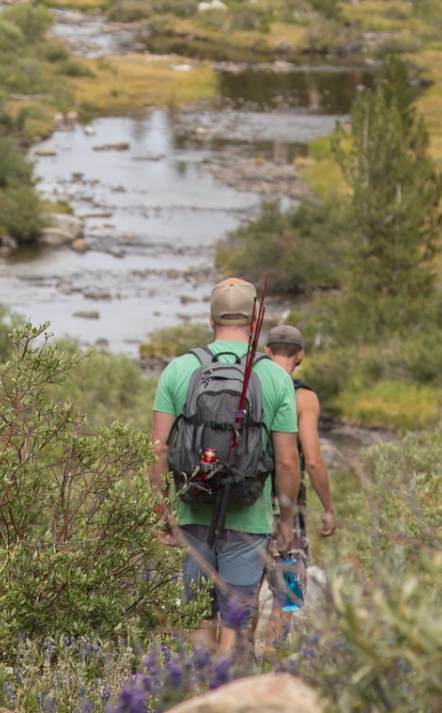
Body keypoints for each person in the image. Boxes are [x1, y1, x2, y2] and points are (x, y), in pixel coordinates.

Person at [149, 278, 300, 656]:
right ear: (254, 322)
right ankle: (227, 689)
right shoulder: (276, 377)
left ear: (210, 317)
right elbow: (286, 460)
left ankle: (198, 689)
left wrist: (161, 508)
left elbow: (157, 449)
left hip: (192, 509)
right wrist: (285, 519)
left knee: (200, 619)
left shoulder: (180, 368)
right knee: (235, 622)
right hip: (250, 518)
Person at [262, 323, 335, 542]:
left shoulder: (253, 388)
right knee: (288, 573)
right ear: (300, 354)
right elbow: (312, 461)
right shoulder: (304, 398)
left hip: (249, 503)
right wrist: (328, 508)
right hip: (289, 504)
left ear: (267, 350)